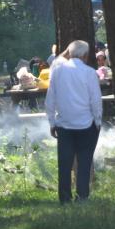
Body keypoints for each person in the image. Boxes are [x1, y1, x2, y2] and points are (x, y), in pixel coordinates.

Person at [44, 40, 102, 204]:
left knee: (64, 162)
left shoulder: (57, 71)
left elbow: (50, 100)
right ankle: (82, 196)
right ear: (85, 55)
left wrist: (52, 122)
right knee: (84, 161)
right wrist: (97, 121)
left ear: (69, 53)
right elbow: (96, 102)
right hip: (86, 124)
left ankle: (64, 198)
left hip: (64, 124)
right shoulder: (90, 73)